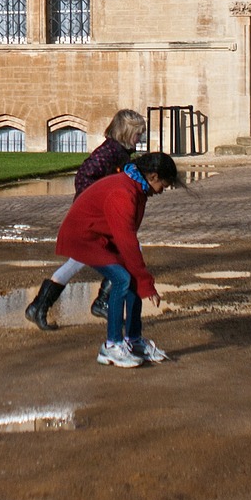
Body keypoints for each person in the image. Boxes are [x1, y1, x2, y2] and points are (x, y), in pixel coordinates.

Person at [53, 151, 180, 368]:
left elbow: (126, 237)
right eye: (164, 186)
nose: (162, 191)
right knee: (122, 279)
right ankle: (111, 346)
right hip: (84, 237)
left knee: (130, 279)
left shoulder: (136, 188)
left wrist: (141, 280)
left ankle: (133, 341)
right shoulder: (124, 192)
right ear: (153, 177)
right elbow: (127, 241)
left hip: (101, 236)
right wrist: (146, 284)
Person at [24, 109, 148, 330]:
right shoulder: (109, 152)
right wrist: (94, 204)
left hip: (97, 217)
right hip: (92, 218)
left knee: (84, 260)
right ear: (126, 133)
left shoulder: (119, 152)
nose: (140, 138)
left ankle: (40, 306)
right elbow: (84, 175)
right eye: (138, 134)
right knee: (121, 253)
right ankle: (99, 302)